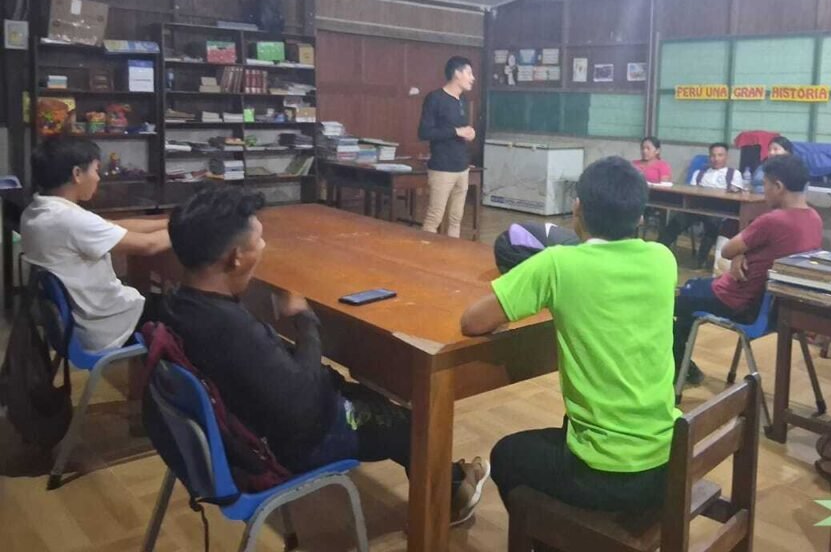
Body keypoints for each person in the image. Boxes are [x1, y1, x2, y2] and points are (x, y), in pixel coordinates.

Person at [158, 186, 491, 525]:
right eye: (258, 240)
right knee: (411, 426)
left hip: (246, 428)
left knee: (369, 398)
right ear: (236, 258)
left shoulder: (177, 305)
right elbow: (302, 399)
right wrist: (304, 321)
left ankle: (453, 480)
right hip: (291, 445)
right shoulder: (230, 330)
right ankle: (451, 499)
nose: (264, 247)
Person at [460, 156, 679, 513]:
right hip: (667, 459)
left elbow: (472, 321)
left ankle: (549, 537)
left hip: (603, 471)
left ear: (577, 208)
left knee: (505, 454)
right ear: (640, 217)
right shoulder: (663, 259)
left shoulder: (559, 264)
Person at [674, 154, 823, 384]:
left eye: (765, 184)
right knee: (691, 293)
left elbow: (727, 250)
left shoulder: (773, 220)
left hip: (738, 302)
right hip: (776, 309)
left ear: (778, 187)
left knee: (680, 298)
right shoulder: (814, 218)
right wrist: (741, 254)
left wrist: (738, 253)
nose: (763, 191)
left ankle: (678, 367)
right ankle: (682, 365)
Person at [20, 134, 171, 352]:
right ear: (77, 174)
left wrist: (167, 222)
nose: (98, 178)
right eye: (96, 170)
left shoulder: (37, 211)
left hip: (80, 322)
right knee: (194, 312)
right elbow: (149, 245)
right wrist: (190, 225)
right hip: (109, 325)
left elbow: (110, 225)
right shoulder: (70, 220)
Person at [658, 142, 745, 264]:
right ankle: (658, 251)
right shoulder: (699, 173)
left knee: (713, 225)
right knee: (677, 220)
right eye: (713, 155)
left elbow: (738, 195)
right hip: (697, 208)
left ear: (727, 157)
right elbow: (691, 192)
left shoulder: (734, 174)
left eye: (720, 155)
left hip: (720, 210)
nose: (716, 159)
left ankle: (700, 261)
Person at [418, 56, 476, 238]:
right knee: (434, 217)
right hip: (442, 168)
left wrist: (469, 132)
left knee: (456, 219)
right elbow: (424, 132)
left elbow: (460, 129)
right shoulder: (435, 98)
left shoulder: (463, 100)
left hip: (462, 167)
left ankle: (453, 252)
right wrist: (456, 131)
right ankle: (425, 251)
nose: (472, 78)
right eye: (469, 73)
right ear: (457, 73)